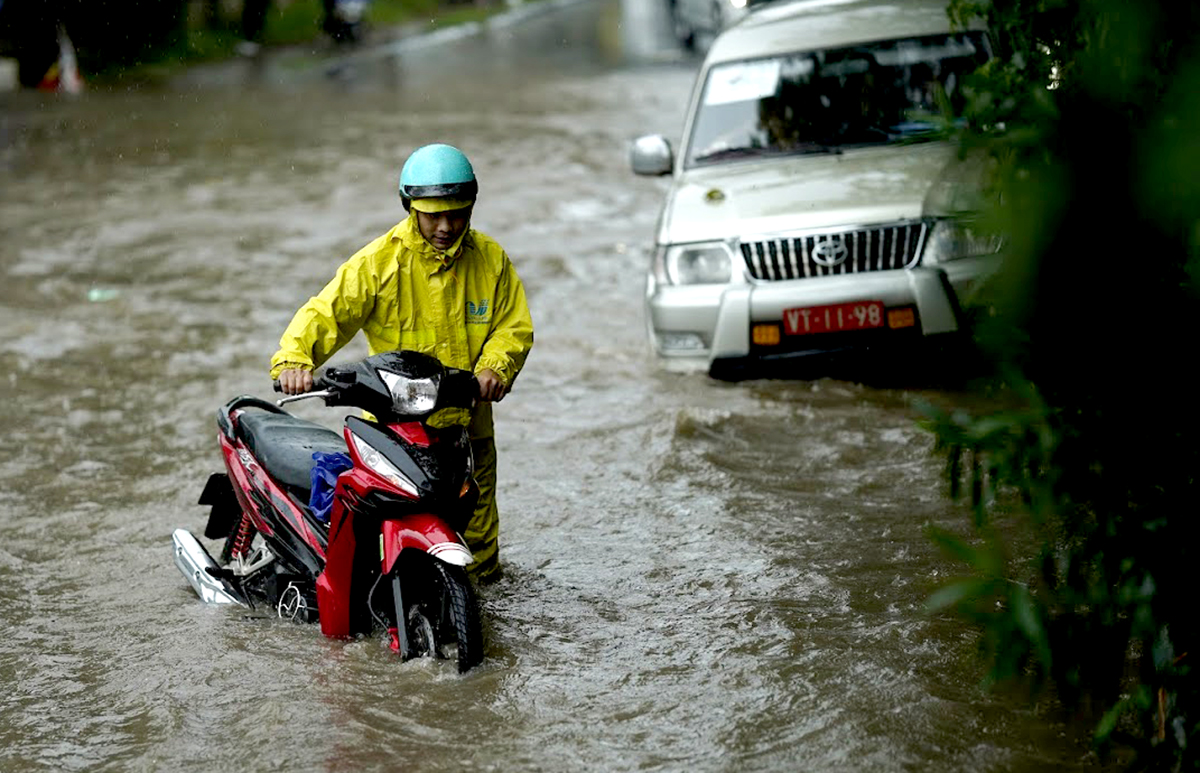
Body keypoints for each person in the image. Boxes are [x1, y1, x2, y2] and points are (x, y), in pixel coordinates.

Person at [270, 143, 534, 582]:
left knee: (482, 548)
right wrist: (294, 359)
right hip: (396, 436)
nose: (446, 226)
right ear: (410, 208)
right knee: (382, 541)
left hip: (468, 433)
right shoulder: (378, 264)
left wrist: (495, 367)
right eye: (434, 215)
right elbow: (327, 312)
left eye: (457, 214)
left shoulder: (491, 261)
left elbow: (513, 326)